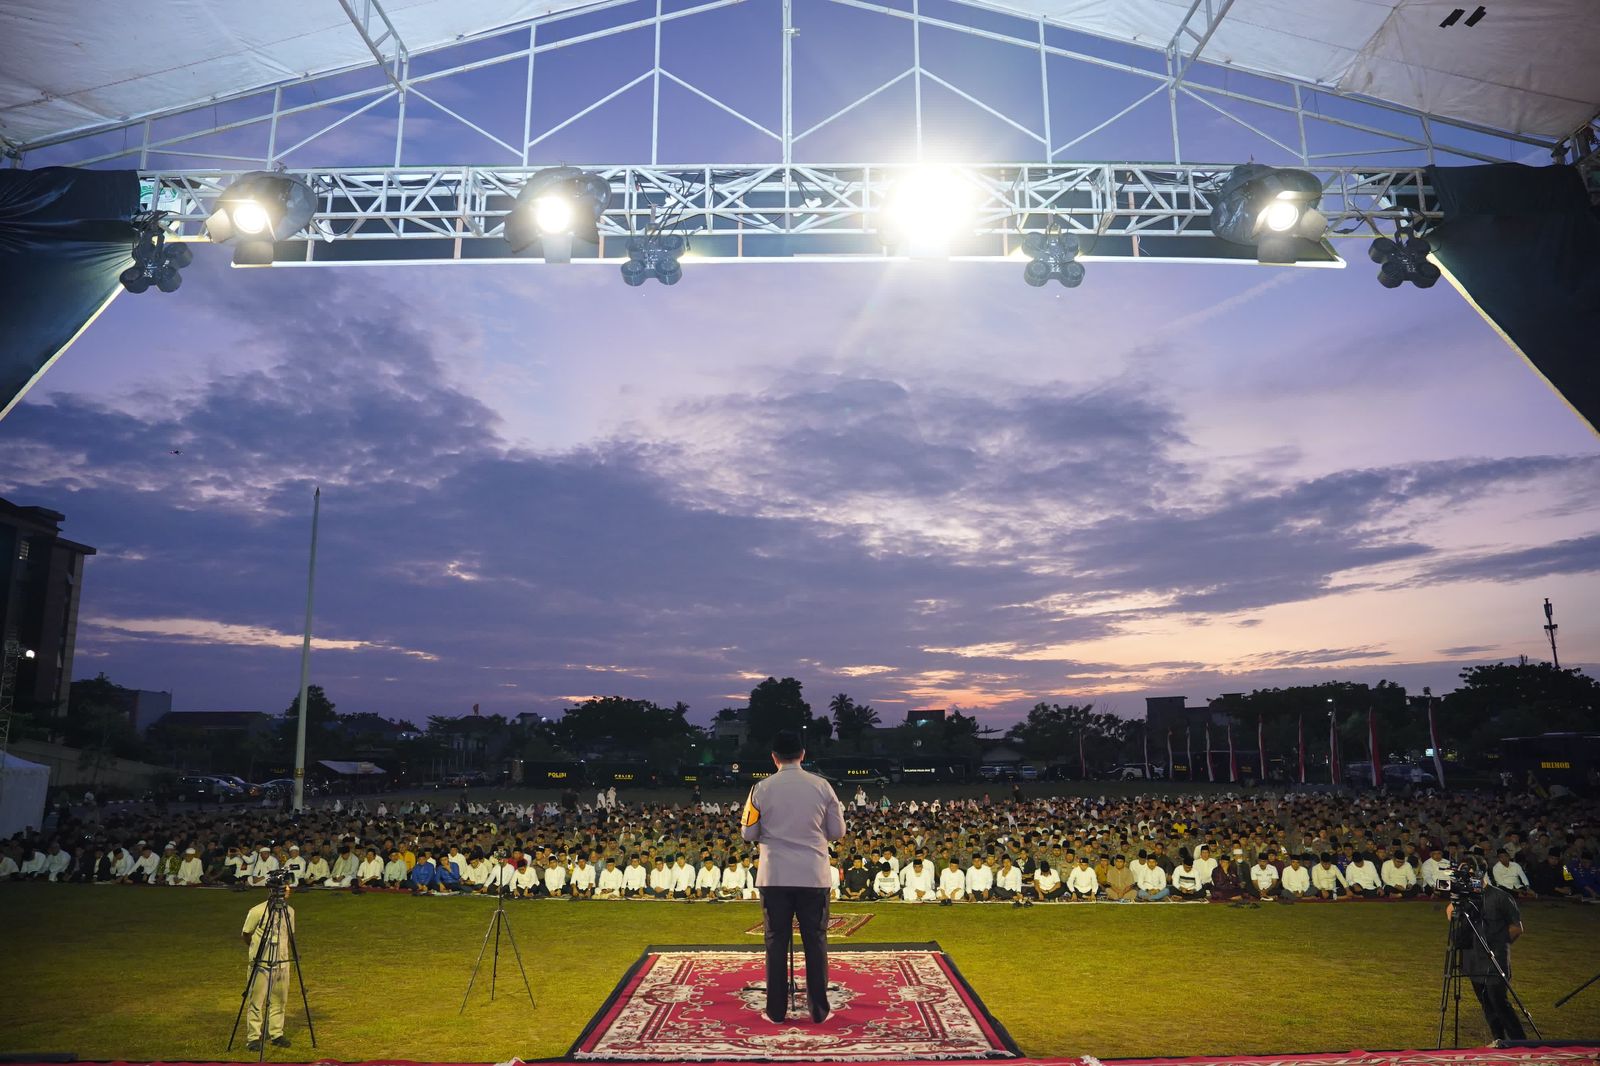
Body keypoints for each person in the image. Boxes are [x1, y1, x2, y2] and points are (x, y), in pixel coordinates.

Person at [741, 729, 846, 1025]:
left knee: (775, 942)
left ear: (774, 758)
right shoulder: (823, 786)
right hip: (813, 874)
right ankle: (819, 1011)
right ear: (803, 755)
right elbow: (837, 832)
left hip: (774, 875)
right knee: (815, 941)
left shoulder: (760, 789)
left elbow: (748, 833)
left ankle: (775, 1012)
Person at [1448, 858, 1526, 1044]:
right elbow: (1451, 915)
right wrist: (1457, 898)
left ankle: (1521, 1043)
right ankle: (1498, 1039)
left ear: (1480, 873)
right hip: (1472, 959)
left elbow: (1517, 928)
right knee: (1486, 1004)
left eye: (1468, 873)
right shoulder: (1465, 897)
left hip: (1494, 959)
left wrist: (1498, 946)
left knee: (1499, 1003)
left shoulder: (1501, 897)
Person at [240, 885, 297, 1051]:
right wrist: (255, 950)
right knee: (256, 1000)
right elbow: (246, 933)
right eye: (284, 888)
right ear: (272, 890)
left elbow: (290, 934)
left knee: (280, 1000)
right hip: (262, 962)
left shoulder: (290, 911)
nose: (287, 891)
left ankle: (276, 1033)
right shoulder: (257, 911)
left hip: (282, 961)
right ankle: (253, 1037)